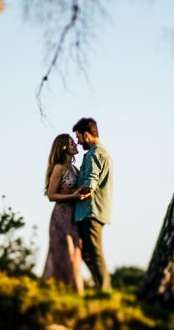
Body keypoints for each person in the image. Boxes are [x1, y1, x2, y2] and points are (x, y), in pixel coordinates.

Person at [41, 133, 85, 294]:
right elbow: (51, 195)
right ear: (63, 148)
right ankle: (56, 291)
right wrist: (72, 196)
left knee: (74, 253)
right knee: (62, 253)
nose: (76, 145)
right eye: (72, 143)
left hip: (74, 216)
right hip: (61, 216)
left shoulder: (74, 168)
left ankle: (72, 291)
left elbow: (72, 188)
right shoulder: (59, 168)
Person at [73, 117, 113, 292]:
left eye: (79, 137)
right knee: (87, 252)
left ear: (87, 135)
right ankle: (100, 287)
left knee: (94, 253)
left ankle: (104, 290)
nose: (78, 141)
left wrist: (71, 196)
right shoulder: (103, 152)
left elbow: (90, 184)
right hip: (93, 211)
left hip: (91, 212)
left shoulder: (94, 154)